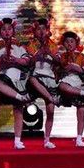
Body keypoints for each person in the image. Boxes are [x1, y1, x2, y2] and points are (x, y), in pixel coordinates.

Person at [0, 18, 32, 150]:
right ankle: (20, 97)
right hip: (4, 77)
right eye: (3, 29)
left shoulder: (19, 45)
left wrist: (16, 60)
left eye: (9, 29)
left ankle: (17, 141)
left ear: (13, 31)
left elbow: (27, 61)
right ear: (0, 32)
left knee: (18, 109)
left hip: (17, 78)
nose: (7, 32)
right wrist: (1, 60)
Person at [25, 18, 61, 149]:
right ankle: (51, 98)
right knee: (32, 80)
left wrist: (49, 52)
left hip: (49, 77)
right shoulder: (31, 44)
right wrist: (38, 53)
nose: (41, 31)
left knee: (50, 111)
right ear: (34, 31)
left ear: (47, 31)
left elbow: (59, 62)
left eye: (43, 29)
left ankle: (47, 140)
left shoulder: (52, 45)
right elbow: (28, 62)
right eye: (38, 29)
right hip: (36, 75)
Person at [57, 31, 84, 147]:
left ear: (76, 43)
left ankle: (79, 138)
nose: (69, 44)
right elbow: (57, 70)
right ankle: (83, 93)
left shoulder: (83, 57)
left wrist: (76, 67)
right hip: (67, 81)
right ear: (63, 43)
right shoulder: (61, 56)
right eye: (67, 42)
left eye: (72, 41)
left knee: (81, 112)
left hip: (79, 81)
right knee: (61, 86)